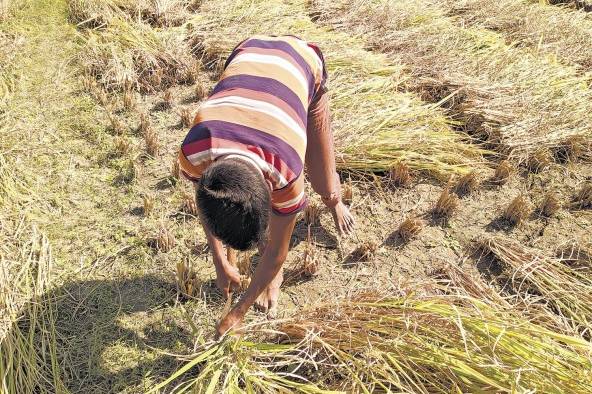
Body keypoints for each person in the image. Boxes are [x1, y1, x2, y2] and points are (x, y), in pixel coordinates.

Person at [178, 35, 355, 337]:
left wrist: (238, 312)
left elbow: (276, 250)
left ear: (269, 193)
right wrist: (220, 259)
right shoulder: (194, 152)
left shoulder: (286, 172)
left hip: (302, 63)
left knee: (323, 178)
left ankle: (334, 201)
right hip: (248, 51)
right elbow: (206, 205)